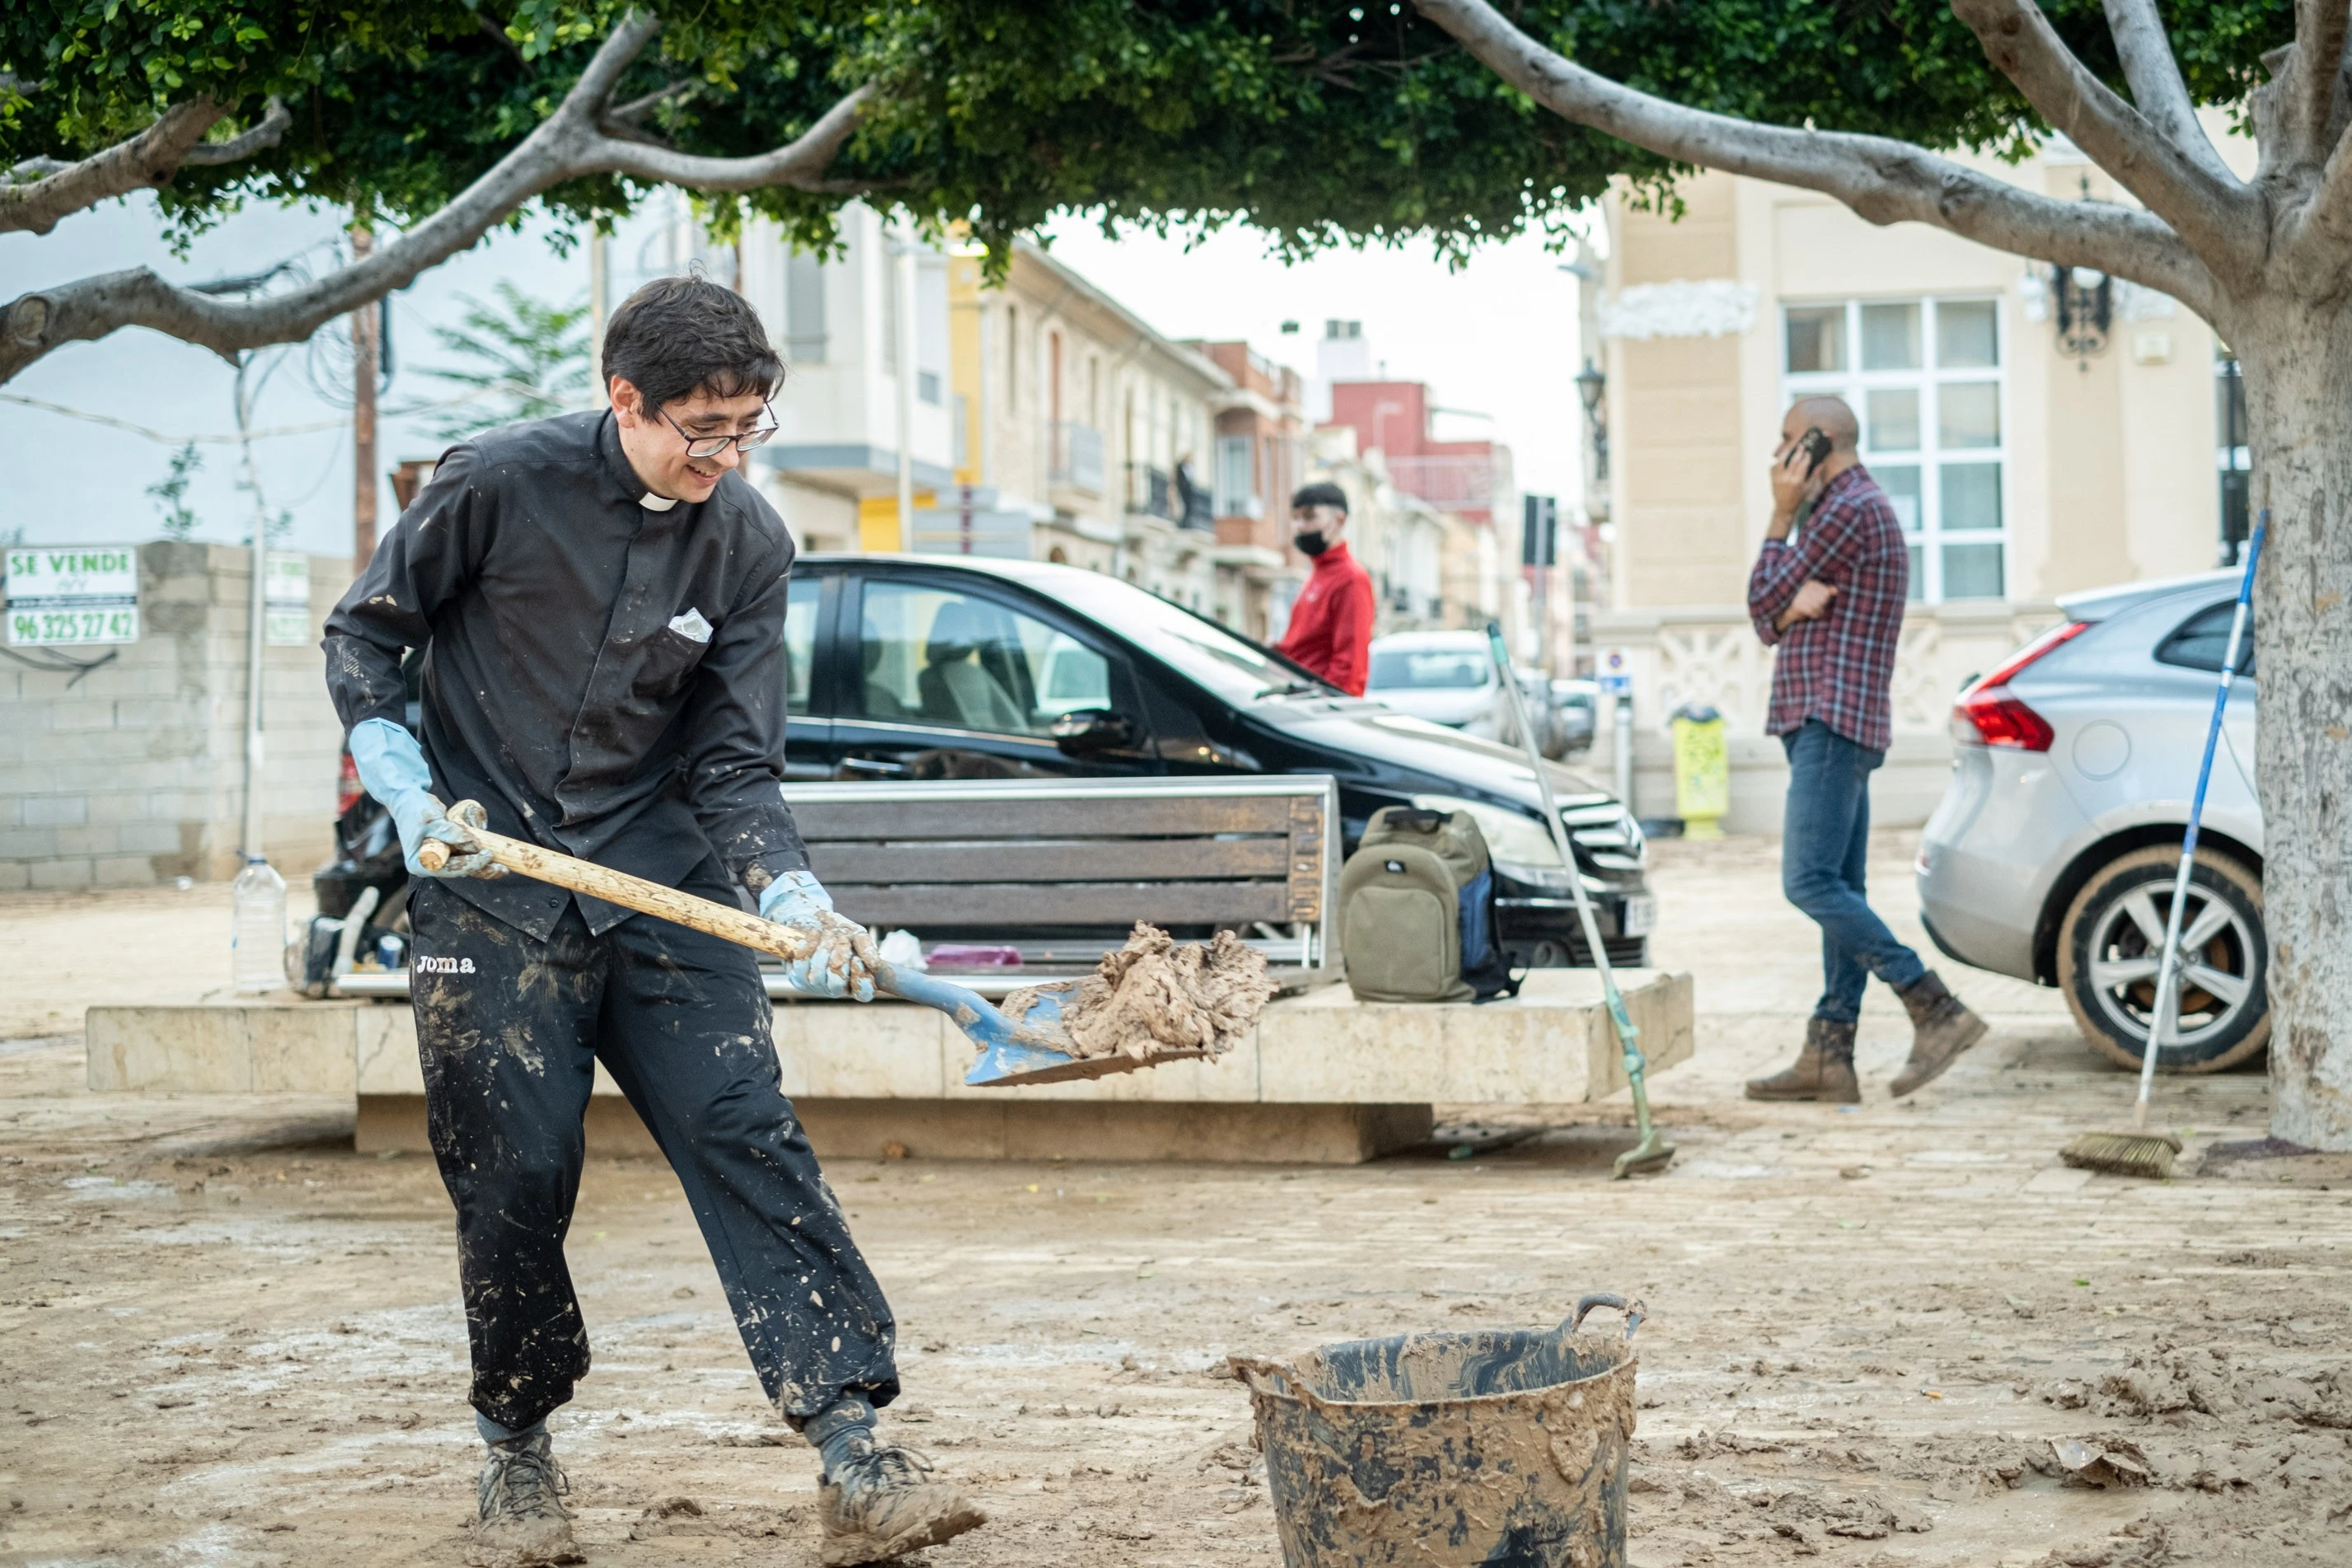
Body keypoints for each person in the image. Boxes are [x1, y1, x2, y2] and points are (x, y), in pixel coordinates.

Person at [321, 275, 983, 1568]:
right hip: (488, 880)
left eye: (749, 426)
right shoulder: (494, 482)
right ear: (625, 399)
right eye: (703, 428)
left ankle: (852, 1442)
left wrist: (787, 886)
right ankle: (517, 1444)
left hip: (660, 882)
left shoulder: (748, 543)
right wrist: (398, 777)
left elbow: (733, 759)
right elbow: (365, 635)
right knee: (514, 1169)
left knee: (745, 1128)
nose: (727, 454)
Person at [1743, 396, 1987, 1104]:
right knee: (1838, 888)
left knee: (1808, 882)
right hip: (1836, 721)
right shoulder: (1844, 509)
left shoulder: (1847, 510)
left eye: (1787, 440)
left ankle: (1932, 1004)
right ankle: (1830, 1050)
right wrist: (1786, 606)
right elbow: (1771, 612)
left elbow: (1760, 598)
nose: (1778, 456)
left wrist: (1780, 517)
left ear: (1819, 442)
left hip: (1830, 718)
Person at [1274, 480, 1375, 695]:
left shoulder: (1351, 578)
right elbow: (1306, 649)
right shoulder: (1316, 575)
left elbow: (1350, 666)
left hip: (1319, 704)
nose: (1300, 526)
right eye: (1295, 518)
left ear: (1339, 520)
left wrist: (1330, 704)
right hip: (1299, 697)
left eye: (1310, 517)